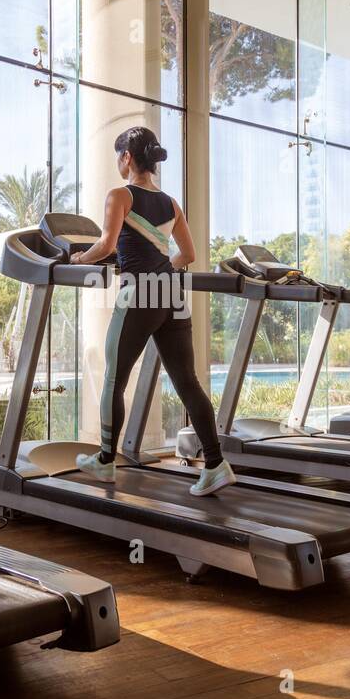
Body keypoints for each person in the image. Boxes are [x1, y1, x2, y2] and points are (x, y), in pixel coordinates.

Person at [69, 126, 236, 496]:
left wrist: (80, 257)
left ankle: (105, 461)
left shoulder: (120, 195)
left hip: (139, 295)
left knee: (115, 379)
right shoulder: (171, 203)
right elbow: (188, 256)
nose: (118, 161)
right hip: (172, 295)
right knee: (187, 382)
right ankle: (215, 464)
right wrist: (161, 269)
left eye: (119, 155)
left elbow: (105, 244)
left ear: (127, 158)